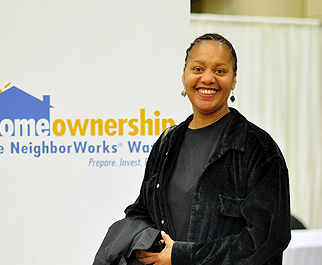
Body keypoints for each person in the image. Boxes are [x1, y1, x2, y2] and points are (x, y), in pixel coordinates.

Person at [95, 33, 291, 265]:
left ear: (234, 80)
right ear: (184, 75)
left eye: (220, 71)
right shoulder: (167, 143)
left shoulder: (258, 149)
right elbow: (143, 211)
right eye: (198, 69)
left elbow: (266, 238)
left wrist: (181, 256)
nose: (207, 78)